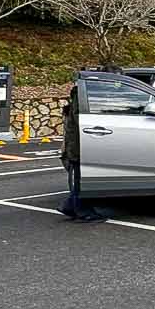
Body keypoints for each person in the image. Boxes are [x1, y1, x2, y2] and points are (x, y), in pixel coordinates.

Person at [59, 82, 109, 222]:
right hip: (81, 143)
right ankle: (83, 211)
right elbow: (82, 120)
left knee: (81, 178)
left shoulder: (81, 95)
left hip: (79, 142)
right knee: (83, 179)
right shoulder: (83, 98)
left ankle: (70, 206)